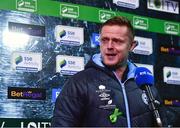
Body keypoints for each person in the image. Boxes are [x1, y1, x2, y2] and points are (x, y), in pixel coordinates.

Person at [51, 16, 165, 127]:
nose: (109, 46)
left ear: (131, 46)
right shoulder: (79, 83)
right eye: (104, 40)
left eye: (117, 41)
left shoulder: (145, 85)